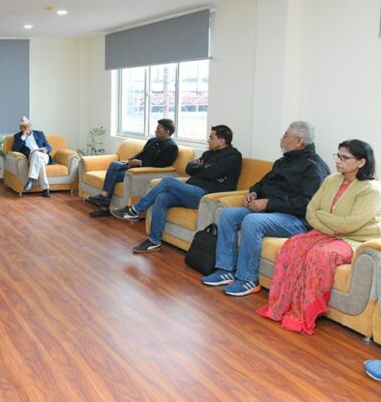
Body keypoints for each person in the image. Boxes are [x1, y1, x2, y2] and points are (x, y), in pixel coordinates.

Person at [257, 139, 381, 334]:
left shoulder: (370, 190)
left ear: (361, 162)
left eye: (344, 158)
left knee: (319, 255)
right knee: (292, 246)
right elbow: (311, 210)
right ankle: (282, 306)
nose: (338, 161)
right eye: (337, 156)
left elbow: (349, 224)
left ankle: (304, 312)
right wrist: (329, 223)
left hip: (353, 239)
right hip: (326, 232)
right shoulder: (332, 180)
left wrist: (324, 218)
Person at [202, 122, 330, 296]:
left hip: (296, 220)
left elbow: (305, 203)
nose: (281, 139)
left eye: (285, 135)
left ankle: (248, 279)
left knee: (252, 221)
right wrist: (254, 193)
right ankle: (225, 269)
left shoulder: (313, 167)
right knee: (228, 214)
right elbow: (263, 183)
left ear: (299, 141)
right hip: (271, 212)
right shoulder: (283, 161)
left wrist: (269, 203)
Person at [112, 125, 243, 253]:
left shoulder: (233, 157)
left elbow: (211, 173)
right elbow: (189, 168)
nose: (208, 140)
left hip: (206, 196)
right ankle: (154, 241)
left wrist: (202, 168)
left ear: (222, 140)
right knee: (162, 198)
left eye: (211, 137)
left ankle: (135, 210)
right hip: (191, 190)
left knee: (167, 181)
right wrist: (205, 167)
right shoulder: (208, 154)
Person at [86, 118, 178, 217]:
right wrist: (130, 160)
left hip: (140, 171)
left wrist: (140, 163)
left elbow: (162, 164)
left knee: (114, 176)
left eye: (158, 129)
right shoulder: (152, 140)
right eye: (156, 128)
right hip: (134, 165)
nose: (155, 131)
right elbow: (141, 153)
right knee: (114, 164)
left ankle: (104, 205)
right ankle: (104, 196)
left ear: (167, 132)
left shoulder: (171, 147)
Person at [11, 116, 53, 197]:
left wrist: (45, 150)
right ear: (21, 128)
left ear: (30, 125)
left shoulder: (40, 134)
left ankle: (30, 180)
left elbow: (49, 147)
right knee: (39, 161)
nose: (26, 128)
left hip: (44, 156)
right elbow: (15, 149)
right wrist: (23, 135)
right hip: (32, 158)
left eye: (27, 125)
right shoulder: (18, 136)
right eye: (24, 126)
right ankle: (45, 189)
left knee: (37, 154)